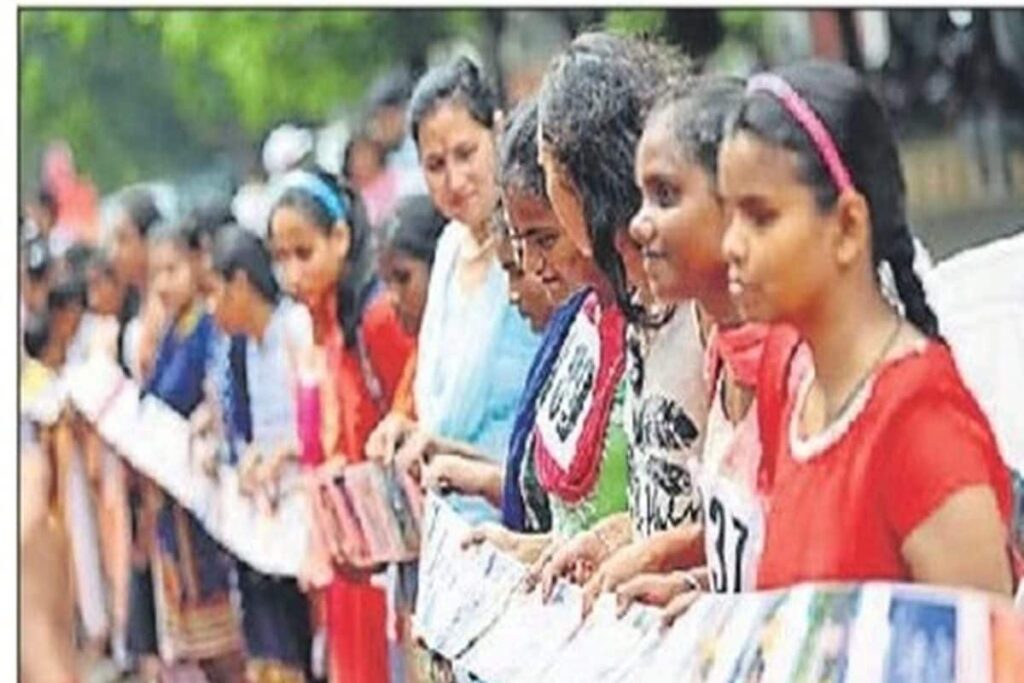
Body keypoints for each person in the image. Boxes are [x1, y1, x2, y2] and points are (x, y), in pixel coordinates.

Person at [718, 61, 1013, 594]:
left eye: (760, 217)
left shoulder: (921, 426)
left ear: (849, 226)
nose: (731, 246)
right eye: (728, 215)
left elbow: (977, 661)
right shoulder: (798, 390)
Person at [369, 57, 540, 526]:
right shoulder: (446, 249)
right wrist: (412, 430)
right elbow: (436, 396)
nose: (454, 179)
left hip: (522, 514)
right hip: (448, 520)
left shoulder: (536, 244)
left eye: (466, 153)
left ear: (498, 132)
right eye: (435, 164)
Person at [268, 169, 413, 683]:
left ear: (341, 239)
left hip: (381, 548)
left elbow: (409, 414)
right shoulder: (323, 327)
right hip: (347, 549)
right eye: (280, 258)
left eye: (303, 254)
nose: (290, 275)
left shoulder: (375, 320)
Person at [205, 224, 314, 682]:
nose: (211, 307)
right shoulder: (240, 349)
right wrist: (247, 458)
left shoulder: (294, 330)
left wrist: (284, 453)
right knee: (264, 646)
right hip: (264, 517)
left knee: (296, 647)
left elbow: (315, 422)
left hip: (303, 510)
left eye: (215, 292)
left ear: (242, 284)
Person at [139, 223, 245, 681]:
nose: (164, 283)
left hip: (204, 507)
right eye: (155, 274)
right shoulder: (169, 332)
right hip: (174, 507)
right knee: (198, 650)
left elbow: (193, 396)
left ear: (197, 264)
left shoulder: (207, 327)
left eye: (172, 269)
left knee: (226, 643)